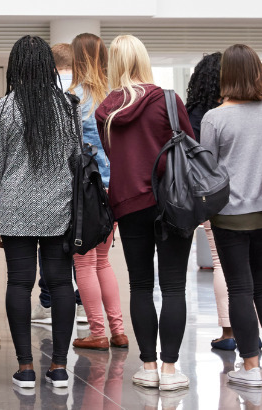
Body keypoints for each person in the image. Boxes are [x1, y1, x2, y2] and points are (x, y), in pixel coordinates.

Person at [95, 34, 196, 392]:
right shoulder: (167, 100)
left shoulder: (105, 111)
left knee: (139, 286)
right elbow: (189, 146)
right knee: (172, 286)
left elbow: (114, 157)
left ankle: (148, 366)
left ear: (114, 65)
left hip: (128, 204)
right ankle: (170, 369)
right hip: (173, 202)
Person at [0, 35, 81, 389]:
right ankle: (58, 367)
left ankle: (25, 367)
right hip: (59, 210)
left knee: (19, 283)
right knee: (60, 284)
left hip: (14, 210)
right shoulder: (67, 106)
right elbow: (76, 162)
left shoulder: (3, 108)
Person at [202, 44, 262, 389]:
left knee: (240, 289)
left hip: (230, 216)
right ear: (258, 74)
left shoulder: (215, 118)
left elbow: (206, 171)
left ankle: (251, 366)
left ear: (226, 75)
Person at [67, 33, 128, 351]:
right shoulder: (117, 95)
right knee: (103, 261)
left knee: (84, 262)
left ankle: (97, 332)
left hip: (86, 189)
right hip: (114, 186)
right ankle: (118, 331)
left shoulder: (74, 97)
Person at [185, 52, 237, 352]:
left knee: (220, 263)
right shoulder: (244, 110)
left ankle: (228, 331)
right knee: (245, 268)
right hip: (249, 200)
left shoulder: (194, 113)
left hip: (210, 196)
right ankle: (247, 330)